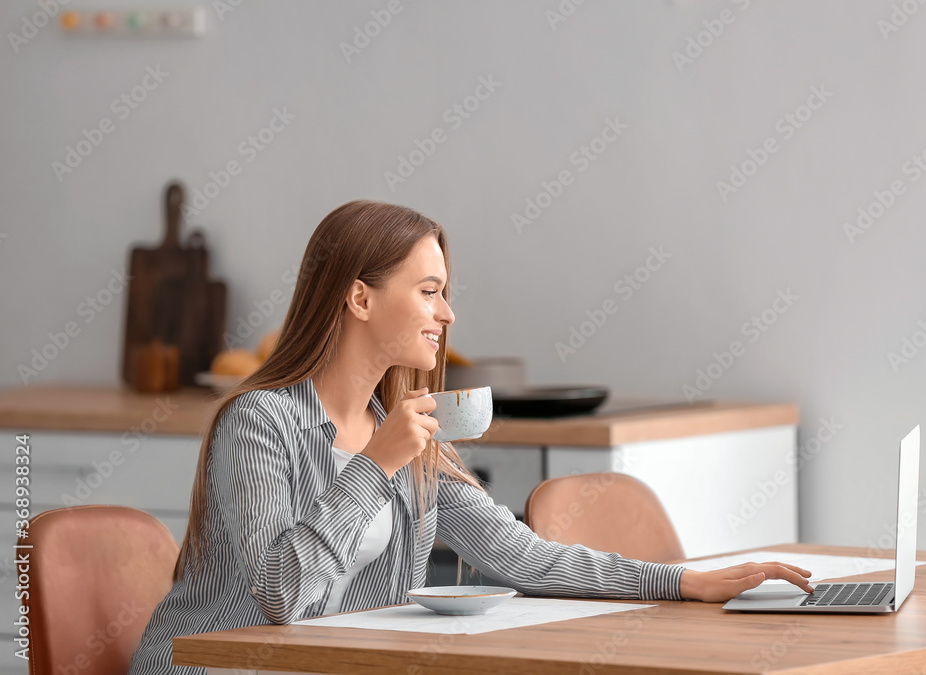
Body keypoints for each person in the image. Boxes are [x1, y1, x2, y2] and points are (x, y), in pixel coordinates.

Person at [128, 200, 813, 674]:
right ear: (359, 297)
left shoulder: (407, 433)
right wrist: (374, 465)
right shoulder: (259, 422)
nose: (446, 313)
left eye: (444, 292)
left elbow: (524, 557)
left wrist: (685, 580)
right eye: (428, 290)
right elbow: (278, 594)